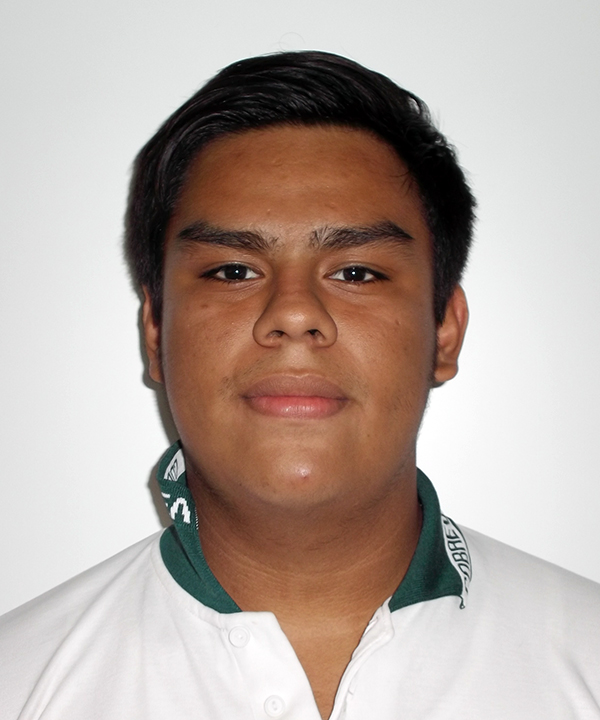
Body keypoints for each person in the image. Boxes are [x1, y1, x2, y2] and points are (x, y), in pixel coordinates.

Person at [1, 50, 599, 720]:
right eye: (232, 271)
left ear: (444, 332)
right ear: (155, 332)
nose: (292, 313)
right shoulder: (18, 682)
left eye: (356, 273)